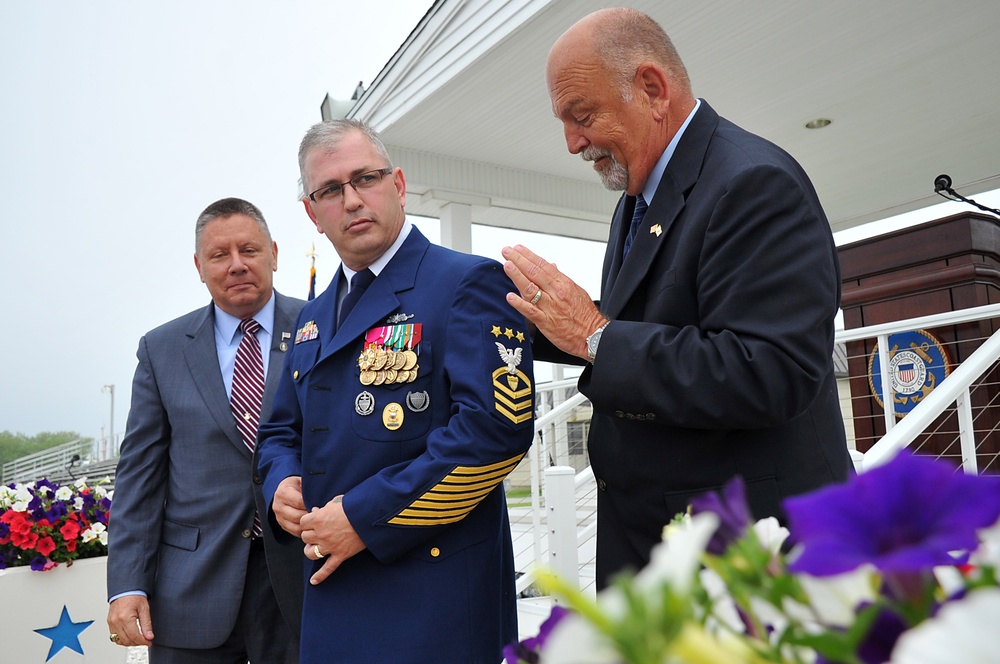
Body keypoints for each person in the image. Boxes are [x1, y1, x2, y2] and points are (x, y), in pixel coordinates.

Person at [502, 7, 851, 589]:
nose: (571, 142)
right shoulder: (637, 199)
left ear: (652, 89)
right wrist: (528, 319)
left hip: (744, 566)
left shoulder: (754, 182)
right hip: (659, 545)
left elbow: (769, 372)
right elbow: (642, 330)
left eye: (581, 114)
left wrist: (594, 334)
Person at [255, 119, 535, 663]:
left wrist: (363, 517)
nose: (353, 200)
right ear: (313, 214)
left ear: (399, 185)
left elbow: (493, 435)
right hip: (331, 601)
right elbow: (279, 430)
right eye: (331, 191)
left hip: (433, 602)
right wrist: (280, 482)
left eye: (366, 178)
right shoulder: (312, 318)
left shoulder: (467, 283)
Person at [106, 198, 304, 662]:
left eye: (249, 250)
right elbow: (140, 476)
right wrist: (127, 584)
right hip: (192, 590)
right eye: (219, 255)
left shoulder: (325, 326)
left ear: (274, 253)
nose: (236, 265)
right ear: (199, 266)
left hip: (304, 581)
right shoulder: (162, 349)